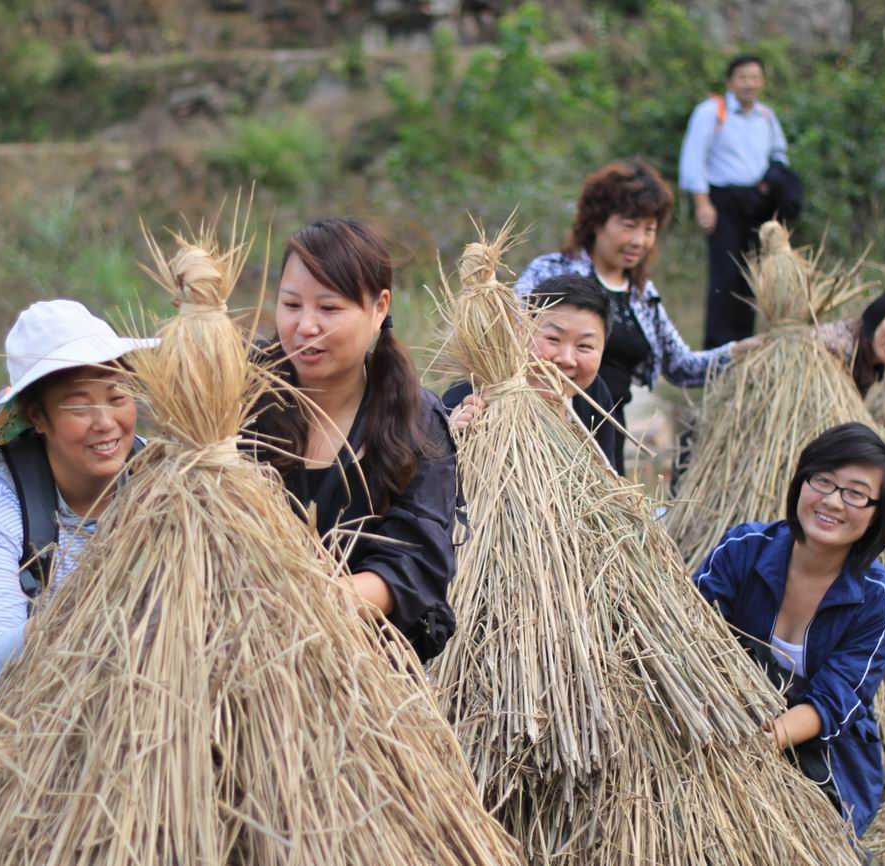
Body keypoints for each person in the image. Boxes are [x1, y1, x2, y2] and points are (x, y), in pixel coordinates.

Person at [0, 300, 156, 767]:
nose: (105, 422)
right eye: (78, 405)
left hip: (110, 719)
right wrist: (87, 611)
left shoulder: (158, 478)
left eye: (117, 396)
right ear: (38, 417)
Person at [247, 217, 458, 662]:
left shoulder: (415, 419)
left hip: (362, 672)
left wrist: (309, 603)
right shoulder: (241, 400)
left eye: (329, 308)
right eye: (290, 305)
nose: (305, 326)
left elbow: (417, 563)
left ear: (379, 308)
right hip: (244, 654)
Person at [693, 422, 885, 838]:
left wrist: (754, 747)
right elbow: (692, 639)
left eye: (856, 493)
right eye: (822, 480)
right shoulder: (743, 547)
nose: (832, 501)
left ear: (878, 513)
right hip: (720, 711)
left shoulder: (878, 599)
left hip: (815, 744)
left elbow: (834, 700)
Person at [515, 158, 759, 475]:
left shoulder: (642, 295)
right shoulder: (552, 271)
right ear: (596, 222)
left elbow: (681, 367)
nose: (638, 241)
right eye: (629, 226)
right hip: (544, 433)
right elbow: (508, 334)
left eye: (649, 229)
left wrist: (740, 352)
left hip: (607, 439)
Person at [445, 273, 621, 473]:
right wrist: (454, 436)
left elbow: (610, 482)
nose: (565, 358)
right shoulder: (476, 388)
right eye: (554, 339)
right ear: (523, 331)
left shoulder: (595, 397)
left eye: (584, 346)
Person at [678, 54, 791, 349]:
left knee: (751, 277)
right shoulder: (711, 112)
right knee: (723, 277)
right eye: (743, 77)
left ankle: (745, 346)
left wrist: (770, 182)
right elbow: (693, 159)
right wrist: (702, 203)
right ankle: (717, 350)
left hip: (757, 204)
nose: (749, 83)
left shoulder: (766, 116)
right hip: (722, 201)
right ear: (730, 81)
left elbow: (779, 154)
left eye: (755, 77)